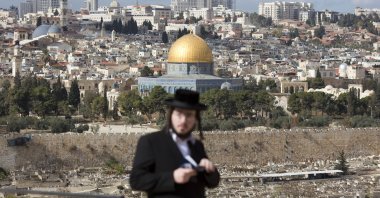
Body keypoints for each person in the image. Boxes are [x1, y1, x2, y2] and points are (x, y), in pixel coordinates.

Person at [130, 89, 220, 197]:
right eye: (179, 114)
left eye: (189, 115)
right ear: (171, 115)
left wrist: (210, 170)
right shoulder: (151, 142)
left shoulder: (196, 145)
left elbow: (212, 183)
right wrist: (172, 178)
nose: (183, 120)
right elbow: (136, 180)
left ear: (196, 119)